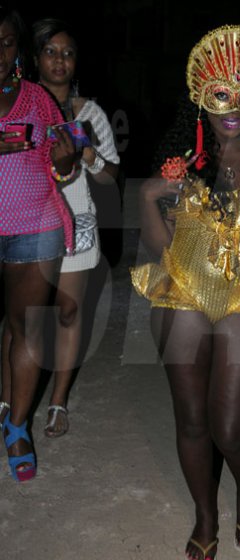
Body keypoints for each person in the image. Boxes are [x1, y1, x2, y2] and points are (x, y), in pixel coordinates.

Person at [131, 25, 240, 560]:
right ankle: (205, 516)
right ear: (200, 95)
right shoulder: (178, 159)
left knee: (231, 425)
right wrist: (148, 196)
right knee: (191, 421)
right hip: (182, 293)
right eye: (220, 94)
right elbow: (160, 248)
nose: (233, 106)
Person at [32, 18, 120, 437]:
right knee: (23, 317)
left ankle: (58, 402)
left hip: (77, 223)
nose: (60, 60)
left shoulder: (91, 113)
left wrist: (89, 157)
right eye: (51, 51)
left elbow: (111, 178)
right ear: (35, 59)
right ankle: (10, 398)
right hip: (29, 220)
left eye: (67, 52)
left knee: (68, 312)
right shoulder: (20, 106)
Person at [0, 6, 75, 481]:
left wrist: (67, 162)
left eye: (6, 41)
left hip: (36, 224)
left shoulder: (39, 99)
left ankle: (17, 425)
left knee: (27, 328)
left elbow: (63, 163)